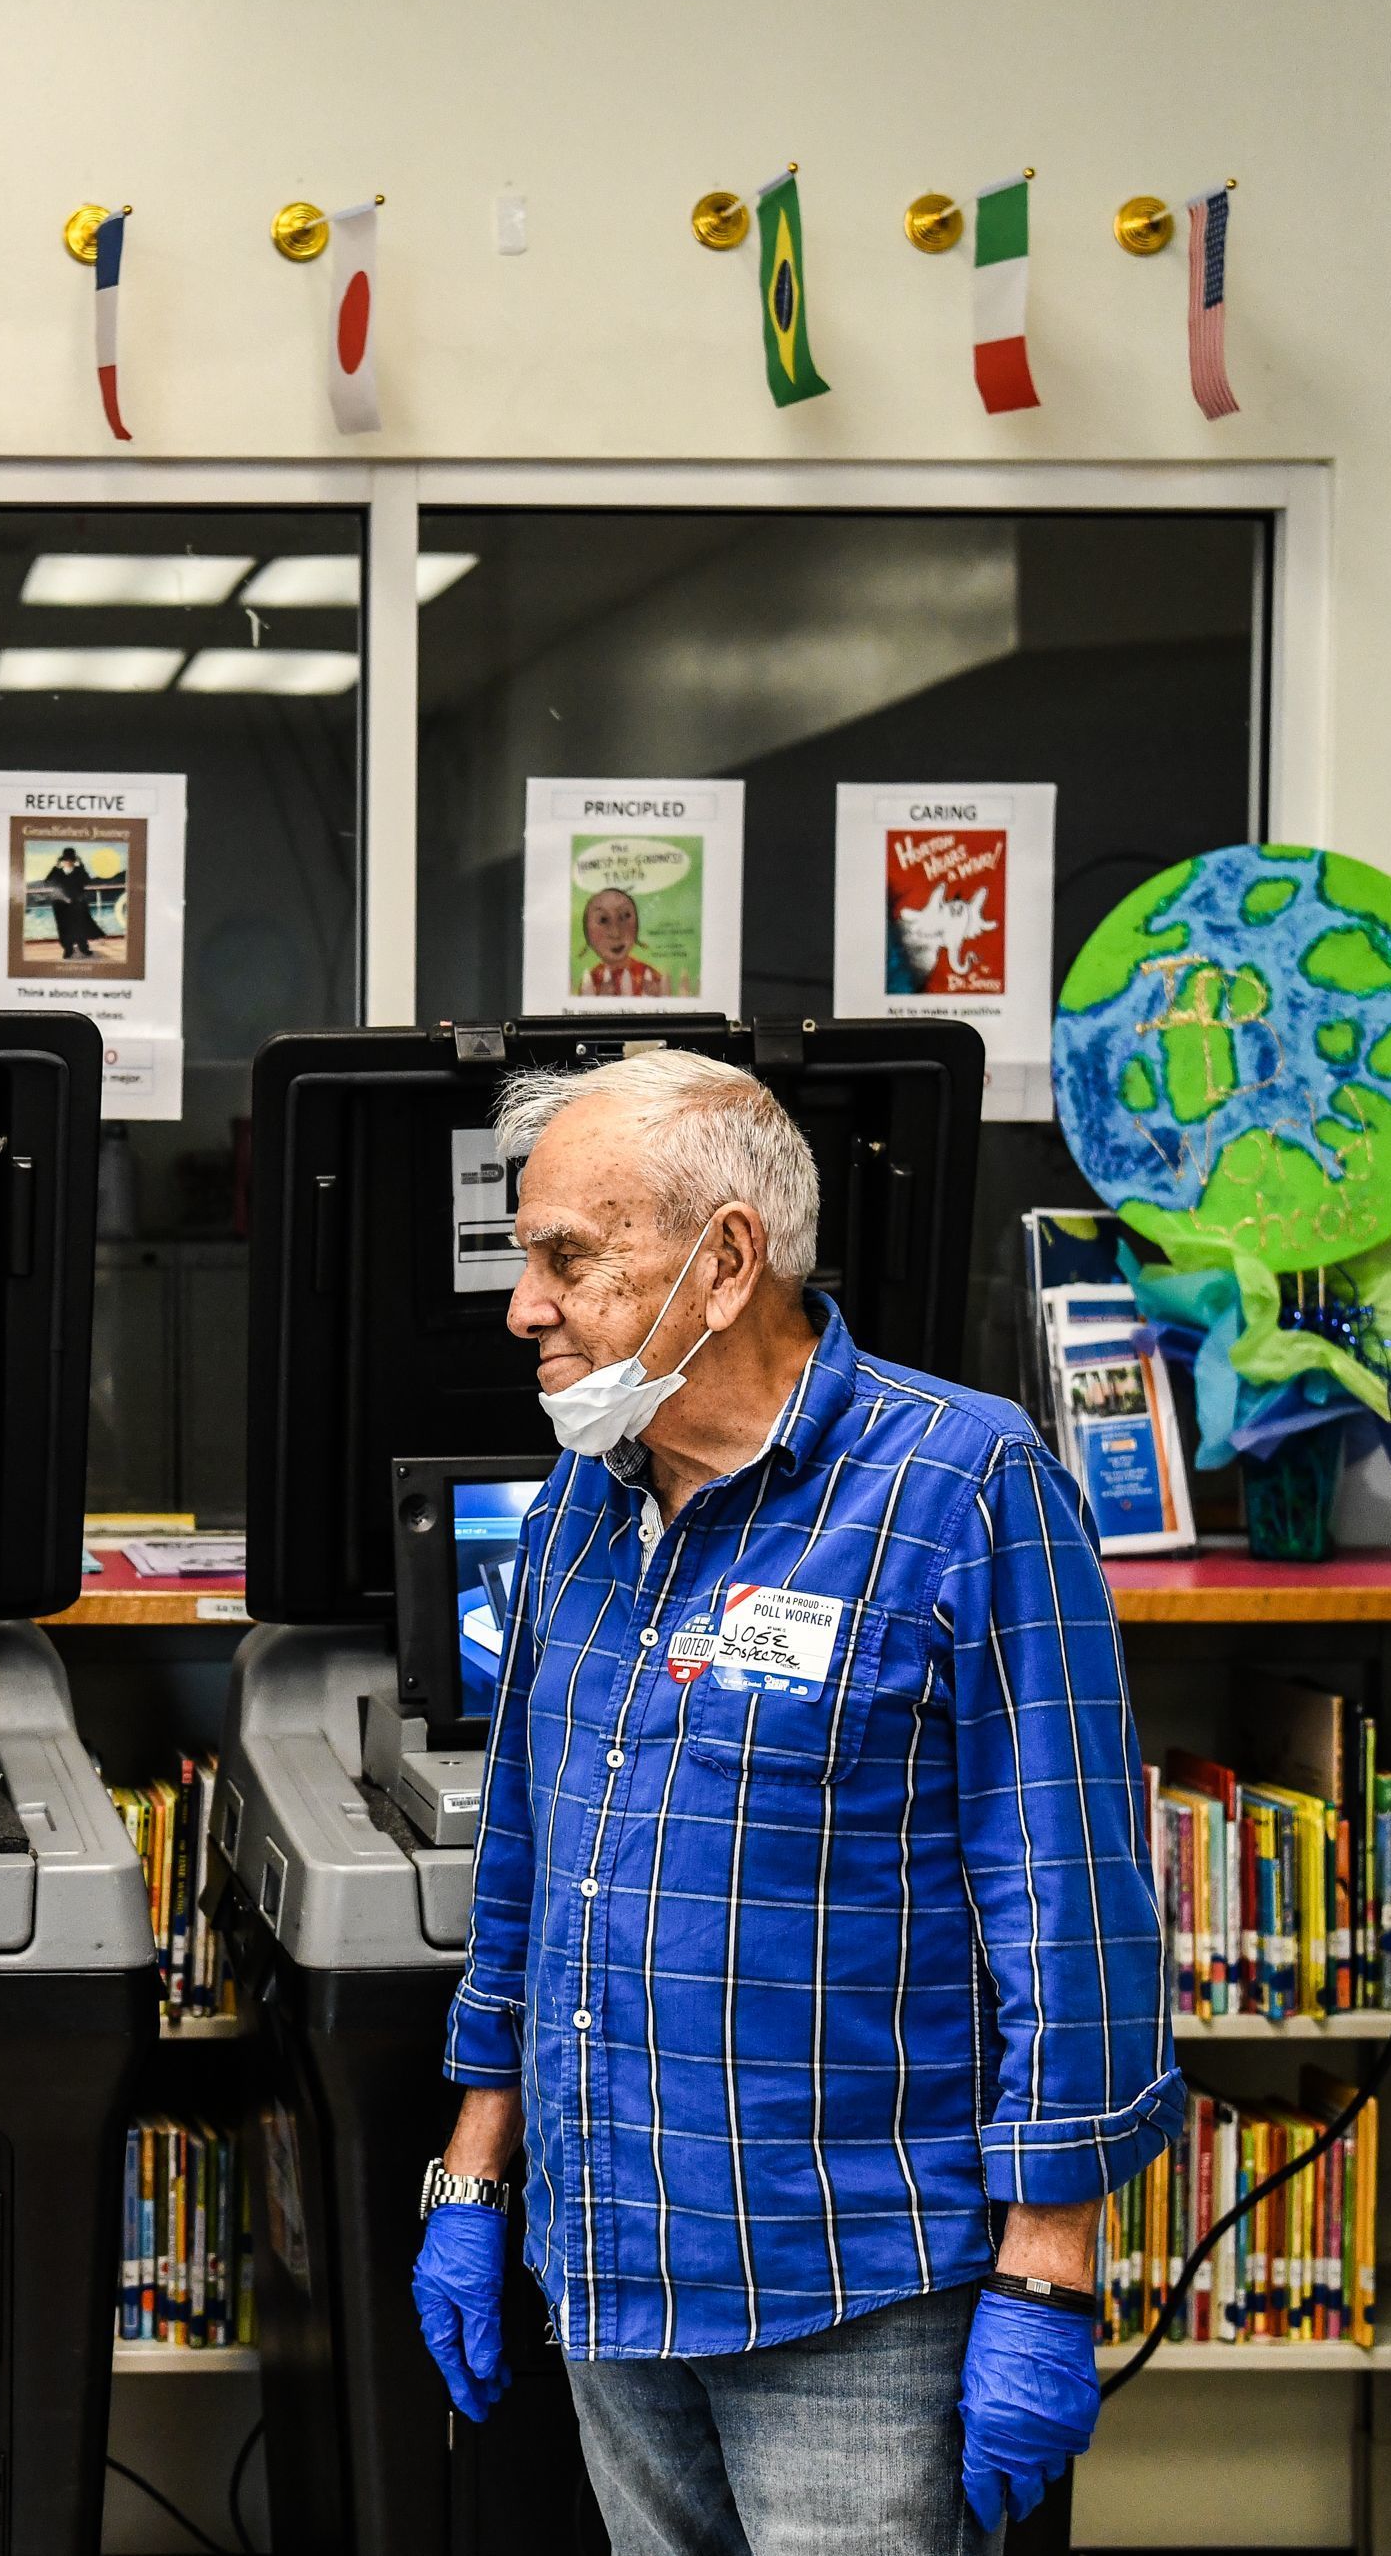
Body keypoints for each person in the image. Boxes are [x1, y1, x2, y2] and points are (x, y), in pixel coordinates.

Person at [409, 1048, 1178, 2555]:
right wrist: (469, 2167)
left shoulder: (958, 1488)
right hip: (608, 2260)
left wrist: (1044, 2273)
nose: (522, 1304)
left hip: (853, 2286)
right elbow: (525, 1867)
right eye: (524, 1256)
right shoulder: (584, 1496)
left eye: (567, 1256)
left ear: (723, 1257)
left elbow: (1067, 1903)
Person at [578, 885, 670, 997]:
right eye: (603, 920)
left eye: (625, 915)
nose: (616, 933)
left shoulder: (649, 976)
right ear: (587, 932)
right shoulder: (591, 981)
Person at [40, 845, 100, 957]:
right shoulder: (57, 872)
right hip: (61, 905)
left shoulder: (78, 871)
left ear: (74, 860)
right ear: (62, 860)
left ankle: (83, 948)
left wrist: (82, 865)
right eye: (66, 859)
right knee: (64, 928)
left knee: (80, 926)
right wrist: (56, 866)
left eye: (71, 859)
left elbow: (87, 881)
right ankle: (68, 949)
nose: (68, 862)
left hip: (77, 904)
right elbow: (47, 881)